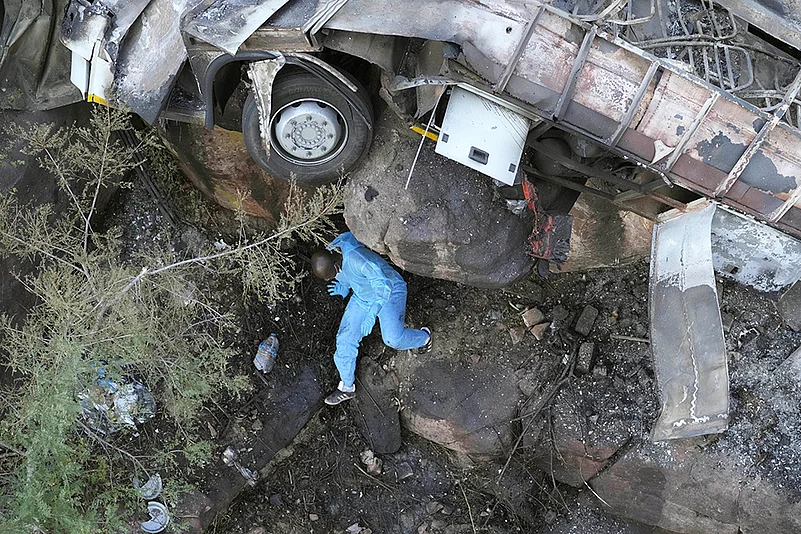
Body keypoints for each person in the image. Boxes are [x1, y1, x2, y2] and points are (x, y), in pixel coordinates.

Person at [311, 232, 432, 405]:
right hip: (363, 295)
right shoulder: (331, 251)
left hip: (389, 292)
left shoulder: (358, 259)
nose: (333, 277)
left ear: (337, 261)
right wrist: (344, 286)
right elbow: (344, 275)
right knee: (345, 339)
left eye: (334, 273)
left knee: (393, 339)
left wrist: (373, 312)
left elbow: (383, 284)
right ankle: (346, 387)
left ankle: (424, 338)